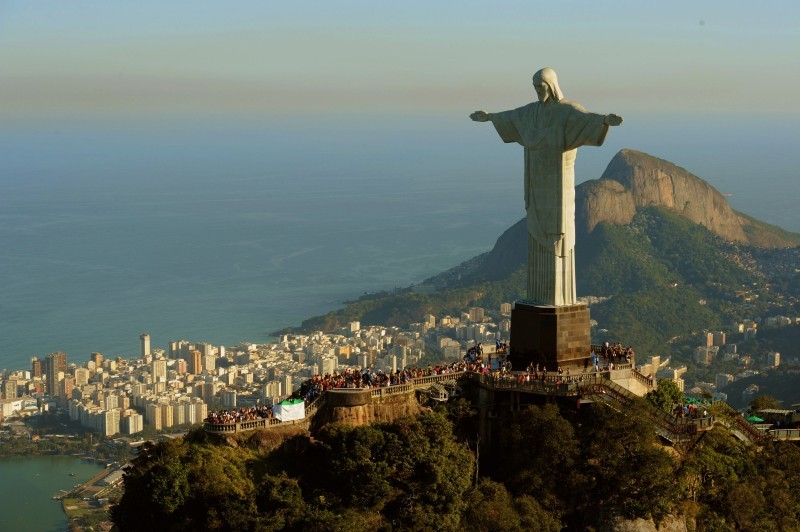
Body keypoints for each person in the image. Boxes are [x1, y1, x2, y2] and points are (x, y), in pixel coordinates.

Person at [471, 68, 622, 306]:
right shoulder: (531, 112)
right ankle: (539, 296)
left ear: (551, 85)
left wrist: (605, 121)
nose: (538, 91)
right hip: (536, 180)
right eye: (535, 87)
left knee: (559, 230)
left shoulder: (566, 111)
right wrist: (490, 117)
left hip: (558, 183)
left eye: (540, 86)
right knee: (536, 230)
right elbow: (511, 116)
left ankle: (559, 299)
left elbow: (586, 119)